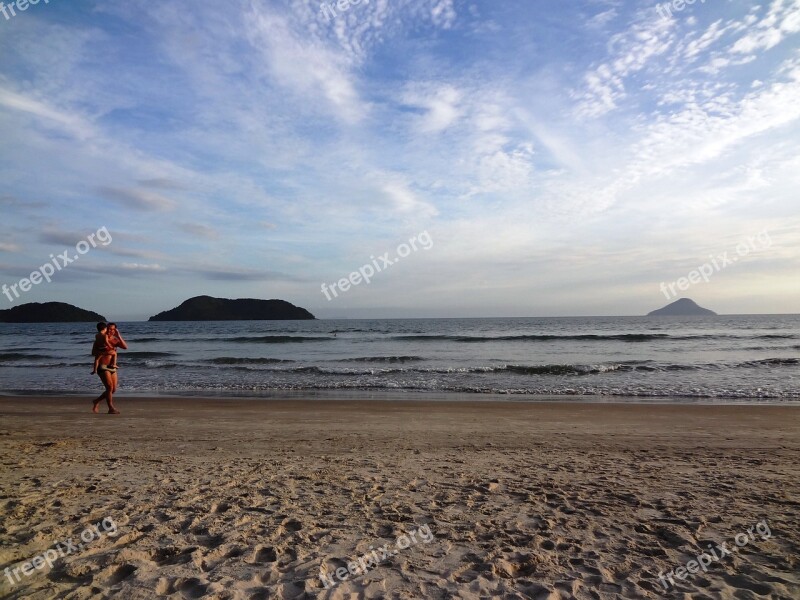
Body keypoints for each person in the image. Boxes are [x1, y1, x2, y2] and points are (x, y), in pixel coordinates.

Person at [91, 322, 128, 414]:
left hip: (112, 367)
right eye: (109, 329)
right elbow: (93, 353)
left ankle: (96, 401)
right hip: (102, 366)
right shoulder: (101, 339)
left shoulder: (115, 340)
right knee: (109, 387)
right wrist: (105, 352)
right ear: (106, 329)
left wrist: (118, 335)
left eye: (113, 329)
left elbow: (125, 347)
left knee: (113, 389)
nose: (111, 331)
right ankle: (111, 408)